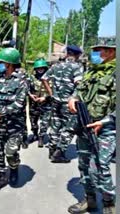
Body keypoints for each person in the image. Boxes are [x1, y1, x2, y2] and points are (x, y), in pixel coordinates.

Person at [67, 42, 116, 214]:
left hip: (106, 128)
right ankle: (89, 200)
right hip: (85, 125)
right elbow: (79, 90)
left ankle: (109, 203)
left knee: (100, 166)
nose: (93, 54)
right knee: (84, 164)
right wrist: (72, 98)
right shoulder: (90, 72)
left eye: (98, 51)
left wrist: (105, 121)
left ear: (110, 52)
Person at [0, 48, 27, 192]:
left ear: (10, 64)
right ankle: (0, 177)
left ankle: (14, 168)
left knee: (10, 152)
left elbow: (18, 105)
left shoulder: (21, 81)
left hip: (14, 125)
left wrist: (0, 113)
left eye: (2, 62)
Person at [41, 45, 83, 162]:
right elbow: (79, 84)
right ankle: (59, 153)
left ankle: (52, 149)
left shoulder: (56, 66)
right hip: (68, 103)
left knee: (55, 125)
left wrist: (51, 93)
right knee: (69, 128)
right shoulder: (77, 67)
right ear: (77, 55)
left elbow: (44, 78)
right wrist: (75, 98)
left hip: (55, 100)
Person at [25, 59, 51, 148]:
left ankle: (41, 137)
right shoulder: (31, 78)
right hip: (34, 103)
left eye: (42, 68)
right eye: (38, 68)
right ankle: (35, 134)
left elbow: (54, 91)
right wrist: (30, 95)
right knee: (33, 121)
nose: (40, 70)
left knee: (45, 122)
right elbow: (26, 88)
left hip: (46, 103)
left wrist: (45, 97)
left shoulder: (50, 78)